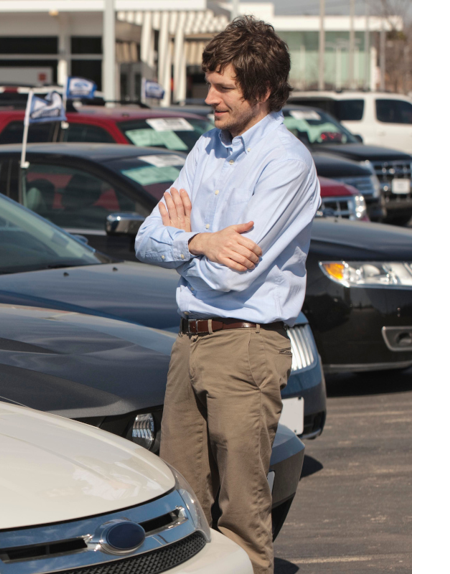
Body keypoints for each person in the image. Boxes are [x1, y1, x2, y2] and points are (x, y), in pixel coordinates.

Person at [133, 16, 320, 574]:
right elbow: (147, 237)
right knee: (181, 508)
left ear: (260, 92)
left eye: (222, 88)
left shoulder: (285, 162)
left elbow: (235, 277)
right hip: (188, 344)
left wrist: (189, 249)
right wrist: (200, 241)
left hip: (245, 349)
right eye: (207, 82)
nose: (207, 98)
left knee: (241, 517)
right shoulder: (207, 147)